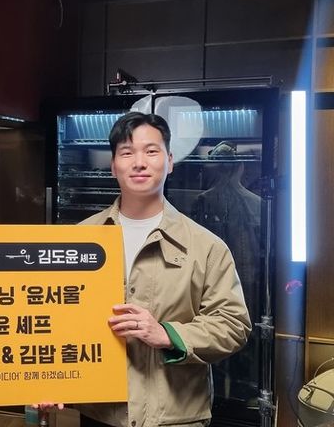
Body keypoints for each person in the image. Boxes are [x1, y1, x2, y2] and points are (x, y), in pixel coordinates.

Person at [77, 112, 251, 427]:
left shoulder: (206, 246)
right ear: (113, 165)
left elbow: (233, 325)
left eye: (151, 151)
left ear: (169, 161)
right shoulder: (80, 239)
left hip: (175, 416)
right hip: (100, 414)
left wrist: (169, 334)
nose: (139, 162)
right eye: (127, 152)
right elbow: (56, 319)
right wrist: (49, 382)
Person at [191, 140, 262, 401]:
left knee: (218, 337)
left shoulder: (203, 200)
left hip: (214, 280)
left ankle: (221, 398)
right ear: (240, 167)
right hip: (248, 278)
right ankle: (242, 396)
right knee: (243, 335)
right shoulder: (256, 202)